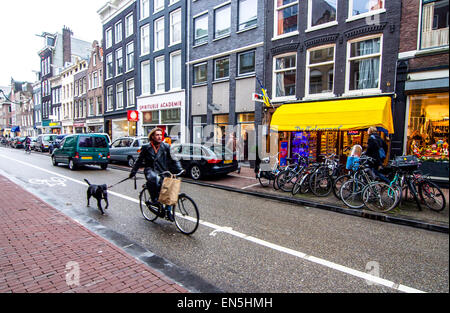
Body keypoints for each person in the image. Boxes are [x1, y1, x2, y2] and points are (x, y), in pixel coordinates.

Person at [129, 127, 183, 216]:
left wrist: (180, 169)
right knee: (154, 178)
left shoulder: (166, 146)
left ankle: (168, 211)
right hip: (151, 170)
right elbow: (139, 161)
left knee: (171, 187)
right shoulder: (146, 147)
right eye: (157, 135)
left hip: (163, 170)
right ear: (152, 136)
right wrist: (133, 172)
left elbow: (174, 159)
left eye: (160, 135)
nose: (159, 137)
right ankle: (154, 200)